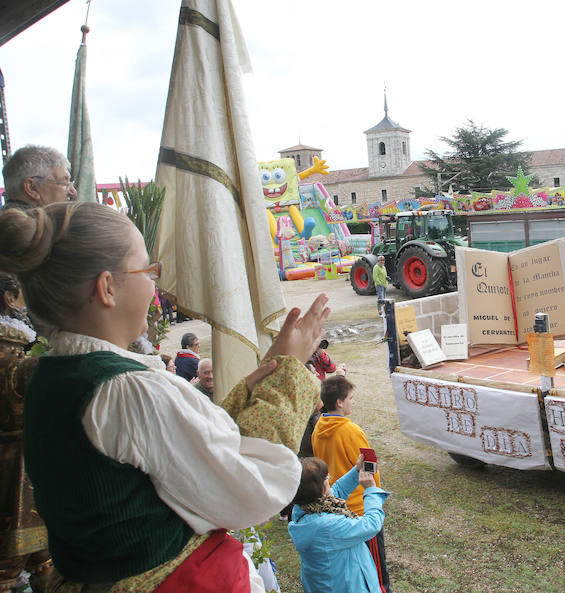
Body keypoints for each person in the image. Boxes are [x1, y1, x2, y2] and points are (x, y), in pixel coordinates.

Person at [0, 201, 330, 591]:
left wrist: (247, 395)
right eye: (148, 270)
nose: (155, 282)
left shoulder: (52, 377)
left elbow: (173, 457)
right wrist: (288, 377)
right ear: (107, 288)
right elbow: (247, 489)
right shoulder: (127, 392)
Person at [0, 274, 56, 592]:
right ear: (9, 298)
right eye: (22, 295)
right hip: (18, 473)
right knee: (25, 561)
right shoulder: (17, 362)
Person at [312, 376, 390, 593]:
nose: (353, 402)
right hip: (360, 509)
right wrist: (375, 496)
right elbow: (370, 466)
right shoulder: (352, 430)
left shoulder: (318, 427)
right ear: (339, 402)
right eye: (351, 398)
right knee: (376, 570)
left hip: (336, 507)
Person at [287, 455, 388, 593]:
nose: (329, 480)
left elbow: (336, 492)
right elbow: (371, 524)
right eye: (326, 478)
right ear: (319, 488)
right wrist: (371, 490)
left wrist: (357, 470)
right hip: (348, 586)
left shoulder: (302, 510)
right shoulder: (326, 526)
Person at [1, 145, 77, 210]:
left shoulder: (9, 221)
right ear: (32, 188)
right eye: (64, 183)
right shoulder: (33, 226)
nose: (73, 193)